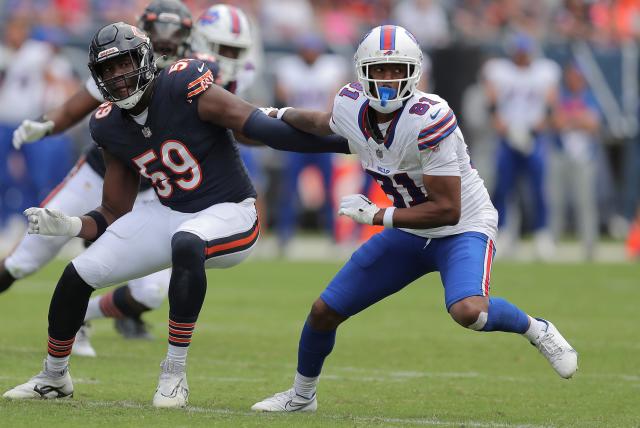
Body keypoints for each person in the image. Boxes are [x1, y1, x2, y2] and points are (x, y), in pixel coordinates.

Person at [2, 21, 349, 408]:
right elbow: (114, 211)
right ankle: (53, 376)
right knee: (77, 275)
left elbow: (260, 127)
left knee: (187, 242)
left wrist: (343, 143)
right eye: (108, 70)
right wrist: (70, 225)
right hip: (169, 211)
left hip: (230, 209)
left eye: (125, 63)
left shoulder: (184, 84)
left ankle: (174, 372)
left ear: (146, 58)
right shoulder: (107, 124)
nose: (118, 76)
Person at [250, 25, 578, 412]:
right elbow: (324, 125)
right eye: (380, 69)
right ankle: (302, 397)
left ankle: (535, 328)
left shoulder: (430, 117)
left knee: (468, 311)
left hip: (461, 227)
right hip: (409, 227)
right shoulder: (349, 103)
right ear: (362, 70)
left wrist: (378, 215)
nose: (388, 78)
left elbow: (447, 208)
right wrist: (277, 114)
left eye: (397, 69)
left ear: (414, 71)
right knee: (325, 310)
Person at [0, 0, 207, 356]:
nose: (167, 40)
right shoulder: (122, 64)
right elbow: (75, 105)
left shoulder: (195, 73)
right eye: (159, 31)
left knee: (150, 290)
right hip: (99, 172)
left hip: (152, 189)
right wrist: (48, 124)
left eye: (175, 32)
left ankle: (85, 318)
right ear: (143, 32)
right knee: (24, 259)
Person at [483, 32, 560, 260]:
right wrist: (507, 129)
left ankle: (542, 233)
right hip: (507, 136)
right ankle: (503, 232)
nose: (522, 56)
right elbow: (492, 101)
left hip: (533, 136)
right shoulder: (499, 70)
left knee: (538, 187)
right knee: (502, 186)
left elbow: (550, 104)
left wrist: (532, 130)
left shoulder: (545, 70)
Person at [550, 62, 601, 261]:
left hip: (584, 156)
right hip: (561, 154)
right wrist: (578, 119)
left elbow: (593, 123)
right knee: (556, 201)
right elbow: (556, 121)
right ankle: (552, 244)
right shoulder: (560, 96)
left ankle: (589, 247)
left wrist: (571, 120)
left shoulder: (590, 97)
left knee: (586, 202)